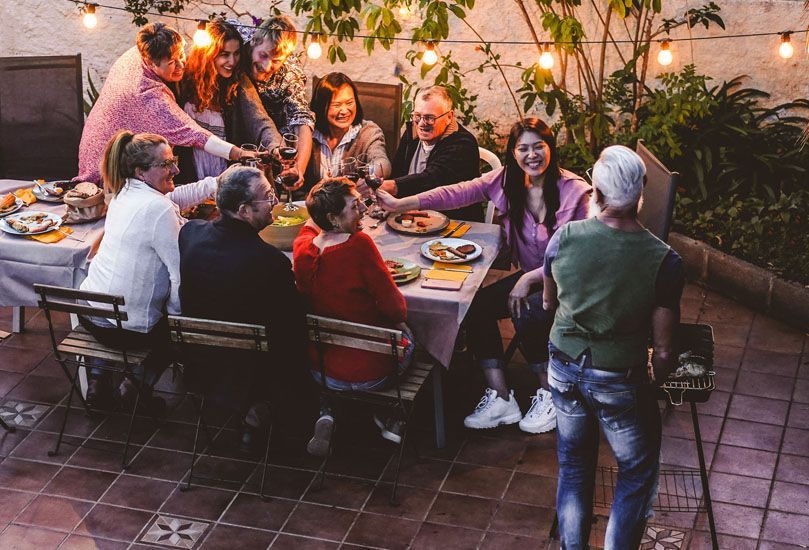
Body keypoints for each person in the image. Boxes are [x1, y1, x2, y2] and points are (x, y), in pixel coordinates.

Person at [376, 118, 590, 434]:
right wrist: (399, 203)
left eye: (538, 147)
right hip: (533, 284)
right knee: (475, 307)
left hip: (572, 288)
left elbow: (581, 258)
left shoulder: (576, 194)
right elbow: (454, 193)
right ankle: (502, 397)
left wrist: (528, 279)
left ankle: (552, 394)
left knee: (526, 309)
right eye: (523, 148)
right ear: (514, 153)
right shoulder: (509, 181)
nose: (532, 155)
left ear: (551, 148)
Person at [542, 145, 684, 549]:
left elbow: (550, 302)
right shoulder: (664, 260)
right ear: (641, 193)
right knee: (636, 472)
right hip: (618, 378)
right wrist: (662, 382)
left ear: (597, 194)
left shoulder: (566, 235)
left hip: (563, 367)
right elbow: (665, 347)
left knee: (573, 467)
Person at [79, 131, 219, 410]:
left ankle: (96, 381)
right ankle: (134, 388)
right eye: (166, 164)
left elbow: (171, 197)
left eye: (174, 160)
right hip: (124, 329)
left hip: (90, 312)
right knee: (173, 334)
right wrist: (179, 322)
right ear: (141, 171)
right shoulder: (158, 209)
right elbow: (178, 276)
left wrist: (215, 183)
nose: (176, 169)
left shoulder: (122, 191)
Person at [178, 165, 306, 452]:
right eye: (267, 197)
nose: (273, 202)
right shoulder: (270, 261)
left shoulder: (190, 234)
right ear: (244, 210)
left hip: (200, 359)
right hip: (252, 367)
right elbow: (293, 325)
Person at [293, 178, 413, 453]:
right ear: (333, 218)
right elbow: (395, 307)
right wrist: (402, 322)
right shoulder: (359, 245)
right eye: (353, 207)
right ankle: (392, 414)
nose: (361, 210)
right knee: (413, 337)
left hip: (322, 370)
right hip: (370, 371)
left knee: (337, 358)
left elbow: (307, 230)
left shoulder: (303, 248)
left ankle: (328, 410)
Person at [78, 23, 251, 185]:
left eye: (181, 55)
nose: (181, 65)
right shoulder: (148, 95)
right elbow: (194, 133)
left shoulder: (137, 52)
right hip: (106, 176)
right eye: (171, 63)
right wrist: (240, 153)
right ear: (152, 62)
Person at [176, 18, 282, 183]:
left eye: (237, 53)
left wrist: (276, 146)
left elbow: (260, 119)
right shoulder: (184, 80)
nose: (232, 62)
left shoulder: (239, 82)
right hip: (190, 171)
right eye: (225, 54)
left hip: (226, 174)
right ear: (208, 54)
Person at [379, 86, 481, 221]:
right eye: (417, 116)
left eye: (429, 118)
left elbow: (432, 178)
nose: (421, 123)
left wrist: (391, 186)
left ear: (449, 117)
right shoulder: (412, 133)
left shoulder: (463, 144)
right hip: (410, 218)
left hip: (453, 222)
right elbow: (397, 172)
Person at [242, 16, 315, 195]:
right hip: (235, 132)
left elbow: (302, 119)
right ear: (254, 41)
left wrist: (299, 169)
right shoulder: (239, 44)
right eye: (263, 55)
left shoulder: (290, 73)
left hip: (273, 146)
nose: (267, 66)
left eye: (276, 61)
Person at [303, 72, 391, 196]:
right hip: (312, 211)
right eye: (336, 105)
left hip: (354, 210)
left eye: (349, 103)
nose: (344, 111)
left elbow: (382, 161)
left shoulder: (368, 132)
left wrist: (372, 174)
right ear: (322, 106)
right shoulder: (308, 133)